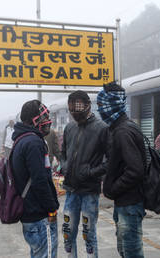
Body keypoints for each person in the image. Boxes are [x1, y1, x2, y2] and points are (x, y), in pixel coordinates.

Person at [97, 82, 146, 258]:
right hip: (125, 202)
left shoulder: (123, 131)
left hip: (129, 203)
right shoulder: (121, 128)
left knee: (131, 252)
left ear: (112, 105)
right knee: (125, 250)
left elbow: (135, 170)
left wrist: (112, 188)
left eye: (101, 105)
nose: (100, 110)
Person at [61, 90, 109, 258]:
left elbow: (111, 161)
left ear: (88, 106)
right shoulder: (69, 127)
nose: (75, 112)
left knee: (89, 234)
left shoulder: (102, 128)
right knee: (68, 233)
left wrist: (91, 173)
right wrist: (65, 167)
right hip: (71, 190)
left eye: (78, 108)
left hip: (89, 191)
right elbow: (63, 153)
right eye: (72, 109)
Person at [11, 100, 59, 258]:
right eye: (44, 117)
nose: (47, 122)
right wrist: (51, 207)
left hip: (29, 213)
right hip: (39, 215)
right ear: (35, 120)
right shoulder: (33, 142)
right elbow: (40, 180)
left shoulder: (20, 140)